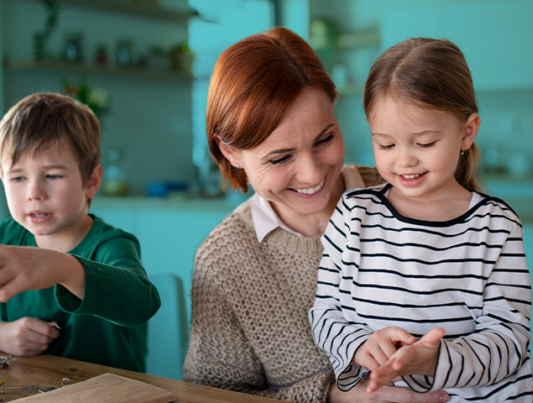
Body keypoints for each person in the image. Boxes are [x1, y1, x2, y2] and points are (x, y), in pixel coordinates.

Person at [183, 27, 451, 403]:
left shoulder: (412, 192)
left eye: (324, 139)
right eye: (280, 157)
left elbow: (503, 345)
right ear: (230, 152)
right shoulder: (225, 262)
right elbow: (211, 399)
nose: (312, 175)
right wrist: (334, 397)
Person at [309, 38, 533, 402]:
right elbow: (324, 313)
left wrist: (436, 360)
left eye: (425, 143)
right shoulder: (353, 214)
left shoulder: (496, 226)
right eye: (386, 144)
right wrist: (359, 344)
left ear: (467, 132)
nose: (404, 161)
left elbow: (509, 339)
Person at [0, 93, 160, 372]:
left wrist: (65, 268)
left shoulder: (110, 245)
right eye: (18, 178)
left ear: (92, 181)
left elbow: (142, 303)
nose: (34, 193)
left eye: (52, 175)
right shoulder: (5, 239)